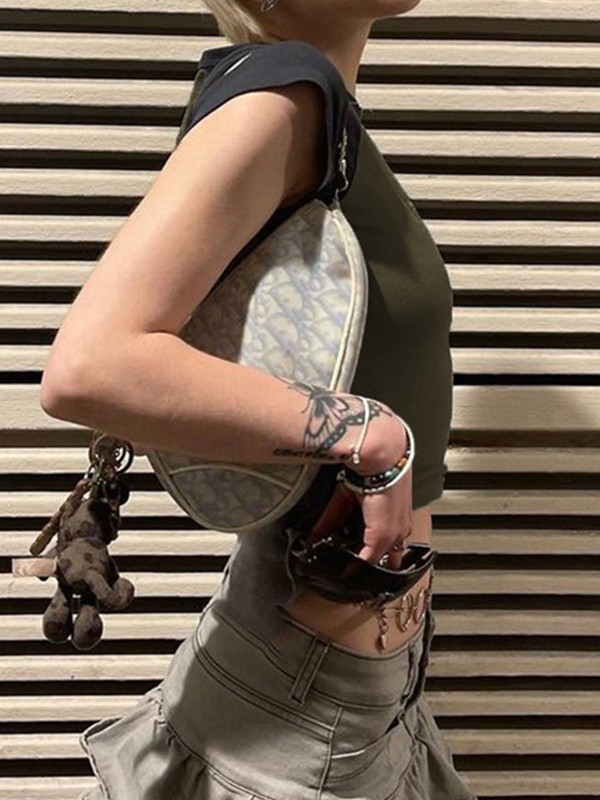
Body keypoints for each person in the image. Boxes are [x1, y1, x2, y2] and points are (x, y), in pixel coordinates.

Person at [40, 1, 478, 798]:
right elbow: (90, 365)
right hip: (306, 701)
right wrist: (366, 433)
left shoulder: (323, 114)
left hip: (361, 686)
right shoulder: (285, 94)